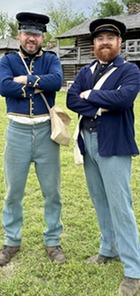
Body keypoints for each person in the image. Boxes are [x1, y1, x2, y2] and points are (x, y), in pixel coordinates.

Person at [67, 18, 140, 296]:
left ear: (119, 42)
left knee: (121, 207)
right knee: (100, 201)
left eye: (111, 37)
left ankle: (134, 271)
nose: (105, 42)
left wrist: (91, 95)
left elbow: (124, 100)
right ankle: (108, 249)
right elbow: (73, 99)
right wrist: (98, 105)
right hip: (89, 142)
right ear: (94, 44)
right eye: (100, 38)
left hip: (115, 144)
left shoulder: (130, 70)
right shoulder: (86, 70)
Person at [0, 12, 66, 265]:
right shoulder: (7, 60)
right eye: (28, 33)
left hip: (46, 133)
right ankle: (11, 241)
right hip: (17, 131)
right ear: (19, 35)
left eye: (36, 34)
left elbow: (57, 81)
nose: (32, 38)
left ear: (42, 37)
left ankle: (52, 241)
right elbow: (3, 86)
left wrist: (26, 80)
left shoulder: (51, 59)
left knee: (52, 193)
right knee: (14, 192)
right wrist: (40, 85)